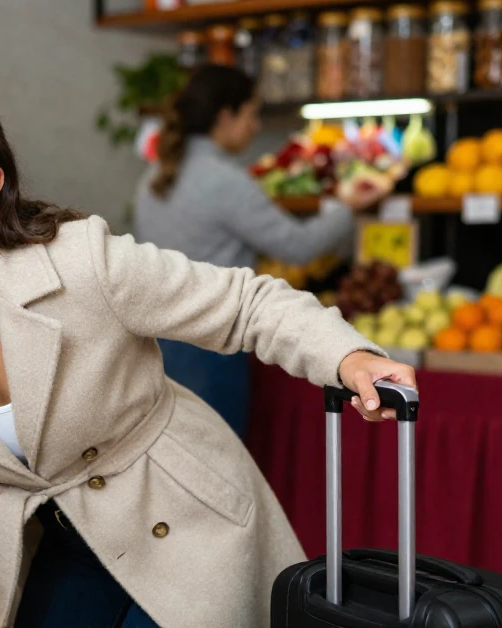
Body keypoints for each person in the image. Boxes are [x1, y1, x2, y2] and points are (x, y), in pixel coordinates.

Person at [0, 77, 415, 628]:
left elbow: (245, 303)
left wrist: (348, 358)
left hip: (181, 520)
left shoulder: (80, 263)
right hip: (62, 538)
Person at [133, 64, 381, 440]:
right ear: (225, 116)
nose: (256, 126)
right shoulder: (225, 181)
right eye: (251, 114)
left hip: (156, 341)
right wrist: (348, 208)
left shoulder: (152, 178)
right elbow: (297, 247)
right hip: (210, 345)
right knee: (218, 456)